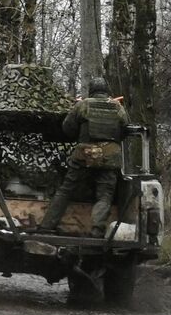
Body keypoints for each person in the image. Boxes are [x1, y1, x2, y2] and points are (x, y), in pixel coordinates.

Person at [38, 78, 128, 238]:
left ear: (91, 90)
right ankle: (97, 230)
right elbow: (125, 129)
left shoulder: (83, 105)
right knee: (105, 195)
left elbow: (67, 128)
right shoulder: (117, 107)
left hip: (84, 154)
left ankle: (47, 226)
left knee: (66, 189)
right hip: (109, 157)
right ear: (106, 91)